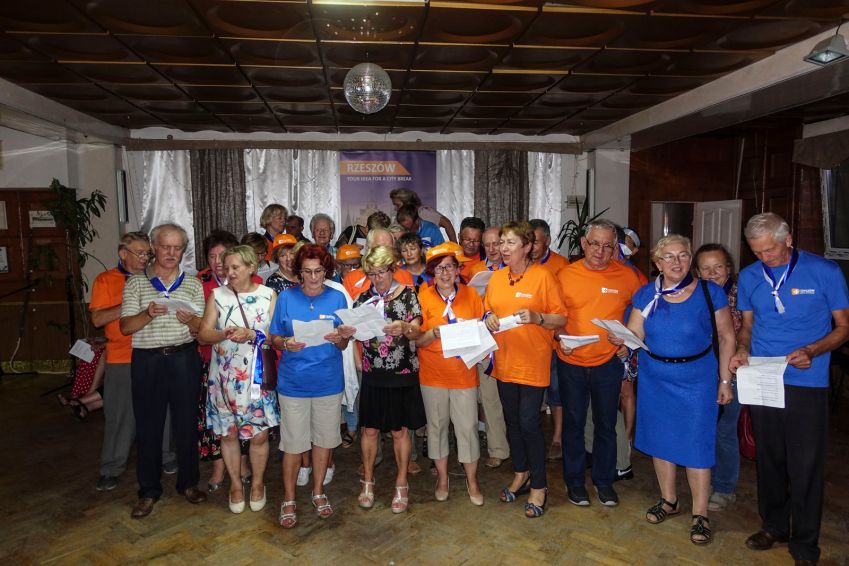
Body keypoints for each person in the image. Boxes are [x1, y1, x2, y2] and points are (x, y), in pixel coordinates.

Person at [731, 213, 849, 565]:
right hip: (763, 376)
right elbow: (747, 326)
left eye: (769, 250)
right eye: (756, 252)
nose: (763, 258)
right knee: (769, 458)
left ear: (789, 239)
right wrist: (742, 349)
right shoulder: (750, 276)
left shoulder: (824, 271)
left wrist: (812, 350)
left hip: (806, 382)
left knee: (805, 464)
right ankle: (774, 526)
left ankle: (805, 543)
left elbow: (843, 327)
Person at [613, 234, 735, 545]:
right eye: (669, 256)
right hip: (656, 379)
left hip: (698, 380)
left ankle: (700, 514)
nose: (677, 262)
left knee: (697, 446)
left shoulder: (709, 292)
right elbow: (635, 334)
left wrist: (725, 381)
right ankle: (669, 500)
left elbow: (726, 337)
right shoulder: (646, 294)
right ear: (657, 263)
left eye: (683, 255)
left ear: (690, 259)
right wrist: (622, 341)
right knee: (661, 440)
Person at [120, 223, 207, 519]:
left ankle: (189, 483)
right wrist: (147, 313)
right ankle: (148, 491)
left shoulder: (193, 284)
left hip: (184, 358)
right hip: (148, 361)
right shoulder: (135, 283)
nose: (171, 253)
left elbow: (202, 329)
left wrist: (191, 320)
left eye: (177, 248)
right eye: (165, 247)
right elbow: (125, 327)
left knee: (186, 425)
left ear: (183, 251)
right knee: (148, 427)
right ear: (154, 248)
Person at [554, 219, 642, 508]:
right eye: (594, 244)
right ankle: (575, 482)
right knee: (574, 424)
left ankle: (605, 482)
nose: (600, 252)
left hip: (608, 363)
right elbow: (552, 316)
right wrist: (559, 337)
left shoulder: (628, 276)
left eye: (607, 246)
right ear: (583, 243)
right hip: (571, 361)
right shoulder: (565, 275)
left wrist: (629, 341)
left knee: (606, 425)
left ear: (615, 247)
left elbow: (647, 310)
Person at [483, 221, 566, 518]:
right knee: (512, 422)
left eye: (510, 243)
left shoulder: (543, 276)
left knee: (529, 423)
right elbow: (488, 308)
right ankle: (521, 474)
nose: (503, 248)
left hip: (533, 362)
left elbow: (561, 318)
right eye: (501, 242)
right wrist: (488, 316)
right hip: (504, 361)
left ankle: (539, 485)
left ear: (528, 246)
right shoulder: (496, 277)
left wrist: (537, 317)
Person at [268, 244, 354, 528]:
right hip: (293, 383)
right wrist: (285, 343)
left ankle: (318, 491)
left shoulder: (337, 297)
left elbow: (343, 344)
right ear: (299, 272)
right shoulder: (286, 297)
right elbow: (274, 337)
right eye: (307, 272)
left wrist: (341, 338)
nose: (313, 278)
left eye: (318, 271)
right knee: (293, 444)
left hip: (328, 381)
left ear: (326, 270)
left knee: (324, 441)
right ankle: (289, 498)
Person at [197, 245, 280, 514]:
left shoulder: (268, 295)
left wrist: (252, 334)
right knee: (229, 433)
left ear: (252, 267)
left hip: (256, 379)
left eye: (236, 267)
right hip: (224, 378)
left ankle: (257, 483)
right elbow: (203, 335)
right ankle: (235, 484)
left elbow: (275, 336)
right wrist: (224, 334)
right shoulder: (217, 295)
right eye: (226, 267)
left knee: (259, 435)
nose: (229, 272)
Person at [353, 245, 425, 514]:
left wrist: (405, 328)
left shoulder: (407, 294)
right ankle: (368, 481)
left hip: (401, 373)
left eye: (381, 272)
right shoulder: (363, 299)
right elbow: (354, 333)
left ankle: (401, 482)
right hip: (373, 373)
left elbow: (417, 331)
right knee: (369, 430)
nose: (377, 279)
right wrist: (349, 334)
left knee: (399, 431)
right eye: (371, 274)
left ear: (393, 269)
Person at [416, 243, 484, 505]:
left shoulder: (472, 295)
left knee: (468, 428)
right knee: (437, 427)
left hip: (463, 375)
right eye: (439, 269)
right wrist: (431, 334)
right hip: (433, 375)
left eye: (449, 267)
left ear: (458, 270)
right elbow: (417, 341)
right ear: (432, 273)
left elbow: (482, 332)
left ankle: (472, 480)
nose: (444, 273)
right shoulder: (423, 297)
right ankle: (442, 478)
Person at [89, 232, 151, 490]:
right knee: (119, 416)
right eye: (140, 253)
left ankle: (167, 457)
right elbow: (97, 320)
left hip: (153, 353)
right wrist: (129, 301)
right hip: (121, 357)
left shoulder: (154, 279)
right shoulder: (106, 280)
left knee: (161, 411)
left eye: (148, 253)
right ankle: (111, 467)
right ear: (123, 254)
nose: (145, 258)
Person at [694, 243, 743, 512]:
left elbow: (744, 333)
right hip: (701, 373)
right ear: (697, 272)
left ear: (729, 268)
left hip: (731, 372)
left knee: (724, 430)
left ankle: (724, 487)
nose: (713, 273)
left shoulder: (740, 295)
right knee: (703, 428)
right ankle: (705, 480)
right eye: (706, 268)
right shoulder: (695, 294)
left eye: (718, 267)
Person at [196, 229, 243, 492]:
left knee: (244, 417)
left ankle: (243, 463)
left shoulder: (252, 280)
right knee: (217, 419)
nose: (217, 261)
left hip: (244, 363)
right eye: (211, 256)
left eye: (222, 255)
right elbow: (196, 323)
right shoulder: (199, 282)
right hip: (211, 360)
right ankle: (218, 466)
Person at [466, 226, 509, 468]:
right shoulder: (475, 271)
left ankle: (501, 448)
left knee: (501, 400)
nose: (493, 249)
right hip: (481, 340)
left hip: (508, 341)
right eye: (488, 244)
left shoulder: (513, 270)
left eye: (497, 243)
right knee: (484, 397)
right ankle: (483, 448)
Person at [528, 219, 570, 461]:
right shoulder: (521, 265)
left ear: (548, 241)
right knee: (530, 395)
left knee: (556, 391)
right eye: (528, 241)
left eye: (536, 241)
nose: (531, 246)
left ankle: (557, 439)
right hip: (528, 342)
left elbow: (564, 305)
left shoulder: (561, 266)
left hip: (553, 341)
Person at [343, 229, 414, 300]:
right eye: (379, 248)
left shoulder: (405, 275)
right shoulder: (352, 279)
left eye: (388, 248)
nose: (384, 252)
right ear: (367, 248)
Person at [390, 188, 457, 243]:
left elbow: (447, 223)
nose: (395, 208)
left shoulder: (423, 212)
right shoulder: (399, 217)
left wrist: (455, 248)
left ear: (408, 203)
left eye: (397, 205)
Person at [458, 217, 485, 283]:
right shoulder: (449, 257)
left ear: (482, 241)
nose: (471, 244)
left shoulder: (488, 260)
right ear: (459, 237)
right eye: (467, 239)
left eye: (476, 241)